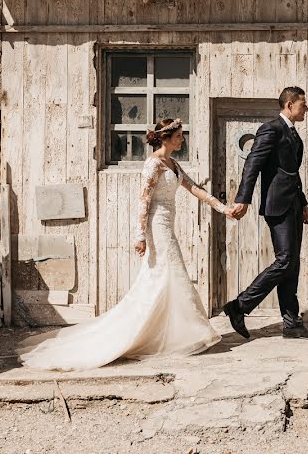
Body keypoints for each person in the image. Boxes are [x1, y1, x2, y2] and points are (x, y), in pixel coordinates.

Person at [17, 119, 230, 370]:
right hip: (156, 226)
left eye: (182, 135)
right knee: (172, 273)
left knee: (163, 278)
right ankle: (177, 333)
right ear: (165, 137)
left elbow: (194, 188)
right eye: (179, 136)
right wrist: (140, 236)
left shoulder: (172, 163)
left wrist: (224, 209)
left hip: (167, 224)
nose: (182, 139)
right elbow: (144, 201)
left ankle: (172, 333)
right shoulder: (153, 164)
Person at [222, 87, 308, 340]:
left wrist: (303, 203)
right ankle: (239, 306)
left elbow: (291, 173)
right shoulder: (271, 129)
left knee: (292, 265)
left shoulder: (292, 133)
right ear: (290, 105)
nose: (306, 109)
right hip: (276, 205)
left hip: (292, 204)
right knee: (285, 260)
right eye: (303, 104)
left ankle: (292, 323)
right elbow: (252, 164)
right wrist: (242, 199)